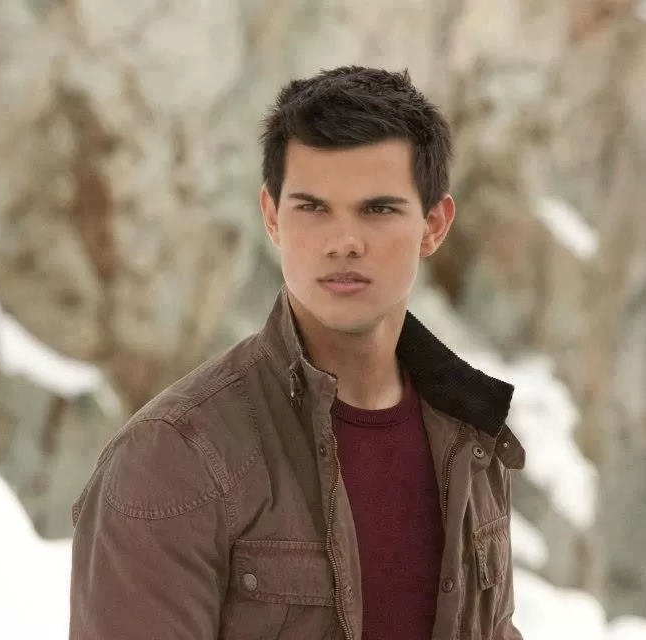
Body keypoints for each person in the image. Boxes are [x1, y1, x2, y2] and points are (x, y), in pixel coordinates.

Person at [69, 65, 525, 640]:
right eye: (313, 207)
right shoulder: (171, 460)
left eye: (378, 209)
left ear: (433, 225)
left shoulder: (470, 438)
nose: (343, 242)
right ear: (271, 217)